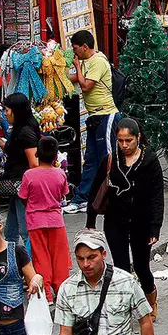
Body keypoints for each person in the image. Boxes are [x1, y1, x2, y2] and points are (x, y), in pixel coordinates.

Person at [84, 117, 163, 321]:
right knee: (121, 268)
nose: (124, 145)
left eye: (129, 140)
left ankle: (150, 298)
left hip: (141, 222)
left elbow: (157, 196)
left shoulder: (149, 160)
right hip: (115, 221)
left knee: (141, 267)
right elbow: (96, 190)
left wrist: (155, 227)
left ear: (138, 138)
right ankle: (127, 305)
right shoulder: (111, 161)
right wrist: (90, 222)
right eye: (120, 141)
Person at [55, 229, 155, 335]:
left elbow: (145, 321)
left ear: (103, 254)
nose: (85, 264)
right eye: (80, 259)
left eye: (91, 257)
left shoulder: (126, 282)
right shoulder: (67, 289)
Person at [63, 30, 119, 213]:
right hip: (94, 116)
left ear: (85, 47)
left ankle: (111, 196)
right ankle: (82, 198)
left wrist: (77, 67)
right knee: (90, 159)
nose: (75, 52)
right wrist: (56, 75)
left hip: (106, 115)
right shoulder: (87, 61)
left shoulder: (98, 61)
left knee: (106, 158)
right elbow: (75, 79)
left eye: (76, 49)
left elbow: (86, 86)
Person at [18, 136, 70, 301]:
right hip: (56, 221)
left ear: (37, 154)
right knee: (59, 258)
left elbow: (23, 197)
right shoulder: (60, 174)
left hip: (35, 221)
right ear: (55, 156)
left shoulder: (29, 175)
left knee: (41, 258)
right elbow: (63, 194)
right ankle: (61, 292)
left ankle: (46, 294)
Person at [0, 93, 38, 246]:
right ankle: (12, 257)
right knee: (11, 230)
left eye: (7, 110)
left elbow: (34, 163)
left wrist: (28, 188)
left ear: (16, 111)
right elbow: (17, 152)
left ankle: (31, 258)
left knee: (24, 230)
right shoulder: (19, 130)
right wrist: (2, 142)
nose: (5, 113)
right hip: (16, 187)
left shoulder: (25, 132)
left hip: (22, 186)